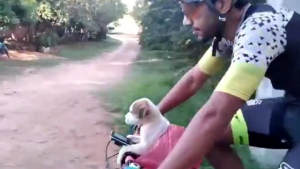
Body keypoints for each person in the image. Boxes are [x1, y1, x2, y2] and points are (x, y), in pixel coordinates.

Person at [155, 0, 300, 169]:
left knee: (207, 130)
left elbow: (214, 115)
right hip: (294, 106)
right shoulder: (231, 34)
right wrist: (155, 112)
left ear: (223, 4)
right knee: (210, 136)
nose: (186, 21)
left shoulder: (259, 28)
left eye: (191, 12)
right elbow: (194, 79)